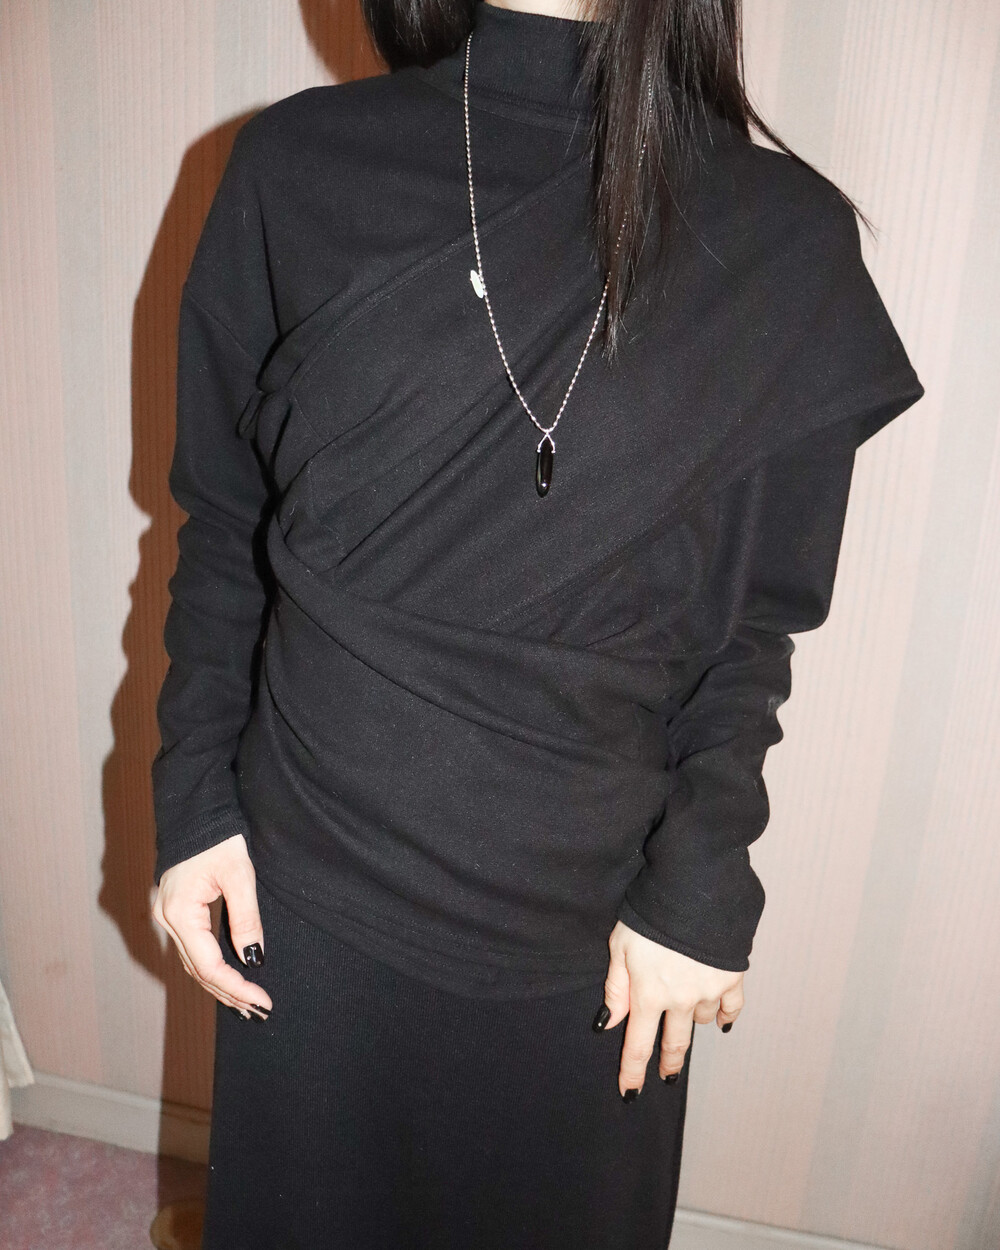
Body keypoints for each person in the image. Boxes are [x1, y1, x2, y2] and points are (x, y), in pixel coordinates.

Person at [149, 0, 924, 1245]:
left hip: (595, 929)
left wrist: (702, 880)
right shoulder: (294, 167)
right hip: (308, 891)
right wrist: (191, 797)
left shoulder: (782, 240)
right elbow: (224, 522)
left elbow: (750, 628)